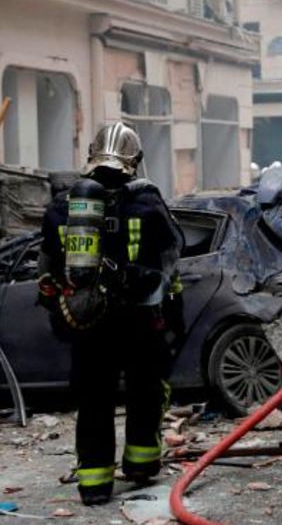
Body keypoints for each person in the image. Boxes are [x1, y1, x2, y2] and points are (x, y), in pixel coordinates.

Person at [38, 123, 183, 506]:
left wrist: (61, 304)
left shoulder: (63, 205)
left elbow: (48, 264)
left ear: (91, 153)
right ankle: (141, 467)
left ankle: (95, 484)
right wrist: (168, 305)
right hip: (139, 319)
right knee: (145, 393)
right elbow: (171, 256)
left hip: (90, 324)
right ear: (134, 160)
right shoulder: (147, 203)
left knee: (93, 401)